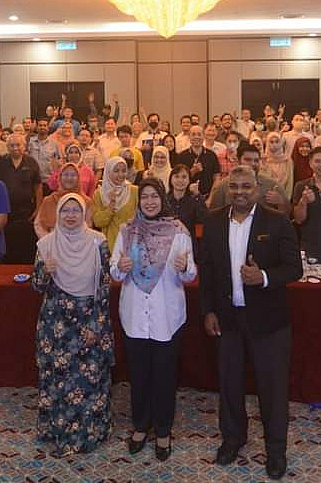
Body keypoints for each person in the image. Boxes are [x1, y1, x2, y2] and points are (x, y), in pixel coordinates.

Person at [200, 166, 302, 480]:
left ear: (256, 188)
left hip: (269, 321)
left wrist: (264, 277)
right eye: (234, 187)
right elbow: (207, 270)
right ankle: (232, 439)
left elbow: (294, 268)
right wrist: (208, 311)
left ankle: (276, 451)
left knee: (272, 389)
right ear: (226, 190)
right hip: (227, 318)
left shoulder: (278, 221)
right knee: (229, 383)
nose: (240, 192)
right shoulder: (213, 221)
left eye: (246, 186)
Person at [111, 179, 195, 460]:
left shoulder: (178, 232)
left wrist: (185, 267)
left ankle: (162, 430)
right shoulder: (127, 231)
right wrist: (120, 267)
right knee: (139, 375)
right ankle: (140, 426)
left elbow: (190, 274)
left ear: (162, 199)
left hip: (166, 316)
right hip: (135, 315)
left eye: (154, 196)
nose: (149, 202)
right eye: (145, 197)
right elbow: (114, 271)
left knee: (165, 376)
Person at [32, 193, 113, 457]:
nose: (70, 215)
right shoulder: (46, 244)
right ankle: (57, 431)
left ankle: (90, 433)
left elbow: (104, 287)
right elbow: (37, 286)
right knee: (58, 380)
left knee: (89, 379)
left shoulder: (98, 242)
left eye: (75, 210)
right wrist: (46, 271)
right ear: (57, 214)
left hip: (89, 319)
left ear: (83, 214)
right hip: (56, 324)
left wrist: (96, 325)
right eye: (65, 210)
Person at [0, 133, 42, 263]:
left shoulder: (31, 162)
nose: (15, 148)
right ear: (7, 147)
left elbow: (38, 186)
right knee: (7, 246)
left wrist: (38, 208)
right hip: (5, 213)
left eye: (18, 145)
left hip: (26, 212)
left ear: (24, 146)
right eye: (12, 145)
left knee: (25, 245)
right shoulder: (0, 162)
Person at [208, 143, 290, 216]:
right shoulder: (223, 186)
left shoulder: (272, 185)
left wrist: (281, 203)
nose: (253, 164)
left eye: (256, 160)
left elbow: (287, 215)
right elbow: (214, 216)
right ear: (238, 161)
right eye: (248, 160)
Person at [34, 163, 92, 238]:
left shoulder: (86, 202)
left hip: (79, 242)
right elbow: (38, 225)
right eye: (66, 175)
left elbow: (88, 226)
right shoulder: (48, 200)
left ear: (78, 178)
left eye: (73, 175)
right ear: (60, 177)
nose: (69, 178)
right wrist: (49, 240)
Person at [165, 164, 207, 243]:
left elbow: (204, 220)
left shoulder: (195, 200)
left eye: (184, 177)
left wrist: (197, 195)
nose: (180, 180)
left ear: (189, 180)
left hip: (189, 243)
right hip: (167, 243)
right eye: (176, 176)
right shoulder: (164, 200)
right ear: (171, 179)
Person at [176, 127, 220, 197]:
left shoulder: (212, 155)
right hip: (187, 197)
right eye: (193, 134)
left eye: (199, 134)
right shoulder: (182, 156)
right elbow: (178, 179)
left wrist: (211, 198)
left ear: (204, 136)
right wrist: (193, 172)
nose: (196, 137)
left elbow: (217, 177)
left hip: (208, 196)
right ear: (189, 137)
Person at [28, 118, 62, 186]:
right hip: (32, 180)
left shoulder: (54, 144)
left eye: (44, 125)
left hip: (49, 180)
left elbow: (60, 161)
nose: (42, 127)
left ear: (48, 128)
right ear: (37, 128)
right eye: (40, 125)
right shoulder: (30, 142)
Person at [260, 131, 293, 199]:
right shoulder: (263, 160)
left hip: (283, 196)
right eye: (271, 142)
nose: (274, 145)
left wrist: (285, 199)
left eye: (277, 142)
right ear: (267, 143)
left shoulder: (287, 160)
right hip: (266, 197)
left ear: (280, 143)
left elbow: (290, 182)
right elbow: (263, 180)